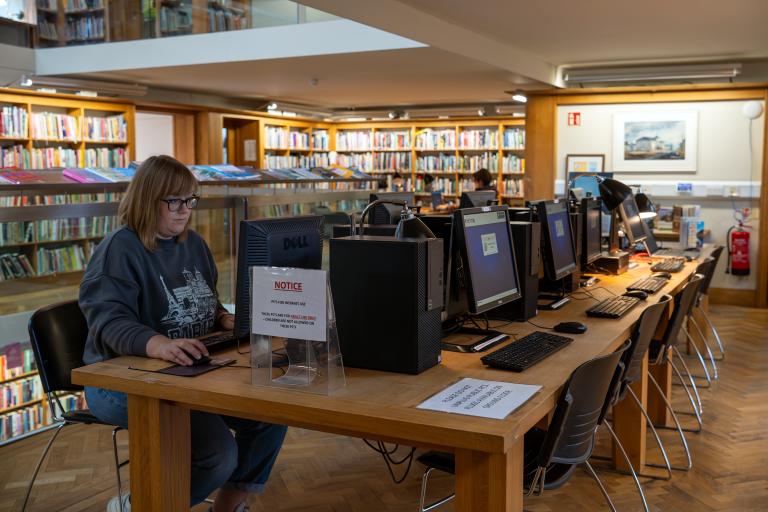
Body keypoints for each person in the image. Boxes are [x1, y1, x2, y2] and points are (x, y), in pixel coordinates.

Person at [79, 155, 287, 512]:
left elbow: (205, 302)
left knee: (272, 412)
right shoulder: (120, 248)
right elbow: (108, 321)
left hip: (189, 370)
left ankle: (229, 504)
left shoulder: (192, 244)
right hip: (121, 380)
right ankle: (143, 504)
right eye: (173, 201)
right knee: (217, 453)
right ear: (147, 200)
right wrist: (159, 344)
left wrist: (221, 317)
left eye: (189, 200)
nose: (183, 210)